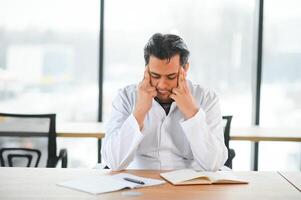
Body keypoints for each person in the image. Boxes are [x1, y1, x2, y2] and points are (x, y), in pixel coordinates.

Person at [101, 33, 228, 171]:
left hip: (189, 184)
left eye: (171, 76)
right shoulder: (125, 97)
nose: (162, 85)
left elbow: (214, 164)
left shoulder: (207, 99)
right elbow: (113, 162)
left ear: (185, 69)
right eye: (155, 75)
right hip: (138, 181)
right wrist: (139, 113)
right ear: (146, 70)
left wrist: (192, 113)